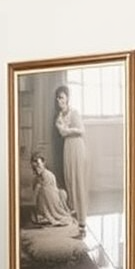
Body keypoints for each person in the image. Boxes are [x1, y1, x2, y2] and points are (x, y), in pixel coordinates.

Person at [54, 86, 88, 236]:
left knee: (78, 181)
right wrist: (65, 130)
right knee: (69, 180)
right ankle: (75, 219)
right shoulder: (59, 117)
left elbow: (81, 130)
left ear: (67, 98)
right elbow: (61, 133)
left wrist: (67, 130)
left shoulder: (74, 113)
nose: (59, 100)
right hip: (67, 147)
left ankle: (82, 221)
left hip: (77, 146)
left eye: (61, 97)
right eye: (57, 98)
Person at [29, 151, 76, 227]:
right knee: (43, 191)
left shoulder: (47, 174)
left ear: (43, 164)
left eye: (39, 165)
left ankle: (54, 213)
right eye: (36, 166)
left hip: (52, 196)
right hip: (47, 196)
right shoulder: (38, 178)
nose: (37, 167)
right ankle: (46, 214)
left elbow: (52, 187)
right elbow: (36, 189)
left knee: (47, 192)